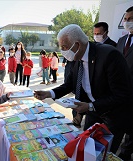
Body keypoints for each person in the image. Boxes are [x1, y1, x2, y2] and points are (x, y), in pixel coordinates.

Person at [34, 24, 133, 154]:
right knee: (86, 149)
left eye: (64, 47)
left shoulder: (109, 55)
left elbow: (121, 95)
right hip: (93, 113)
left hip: (113, 115)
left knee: (104, 154)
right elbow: (69, 84)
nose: (62, 51)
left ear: (77, 45)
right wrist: (49, 93)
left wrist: (91, 106)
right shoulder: (76, 57)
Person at [116, 6, 133, 160]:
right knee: (121, 124)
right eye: (126, 19)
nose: (128, 22)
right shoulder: (121, 41)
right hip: (120, 94)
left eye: (131, 19)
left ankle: (125, 154)